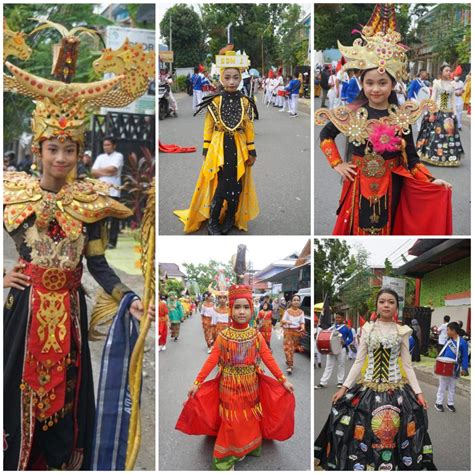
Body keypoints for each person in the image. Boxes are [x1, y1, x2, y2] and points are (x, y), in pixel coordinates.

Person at [3, 36, 154, 468]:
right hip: (24, 309)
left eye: (70, 150)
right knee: (18, 390)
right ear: (39, 149)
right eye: (54, 149)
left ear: (80, 151)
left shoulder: (89, 204)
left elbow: (99, 265)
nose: (62, 158)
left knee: (68, 395)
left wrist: (129, 296)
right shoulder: (15, 195)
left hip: (69, 310)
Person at [315, 22, 453, 236]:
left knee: (387, 228)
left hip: (393, 184)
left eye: (382, 83)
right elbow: (326, 135)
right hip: (358, 182)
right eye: (369, 83)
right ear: (362, 83)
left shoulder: (401, 116)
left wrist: (433, 181)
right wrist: (337, 164)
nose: (375, 89)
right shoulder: (351, 112)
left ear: (392, 84)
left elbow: (412, 159)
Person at [176, 284, 295, 471]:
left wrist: (282, 380)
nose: (241, 311)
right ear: (230, 309)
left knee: (249, 417)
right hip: (228, 385)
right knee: (231, 419)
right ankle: (227, 456)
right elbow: (211, 361)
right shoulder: (223, 336)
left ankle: (248, 446)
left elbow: (268, 359)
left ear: (251, 309)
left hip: (251, 385)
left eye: (246, 307)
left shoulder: (256, 335)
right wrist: (197, 382)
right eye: (237, 307)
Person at [315, 288, 435, 470]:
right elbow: (359, 361)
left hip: (396, 389)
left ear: (396, 307)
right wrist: (344, 388)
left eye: (391, 302)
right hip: (368, 388)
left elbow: (408, 365)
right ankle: (366, 464)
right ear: (377, 305)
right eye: (382, 301)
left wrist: (418, 393)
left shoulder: (403, 331)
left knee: (396, 432)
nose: (386, 305)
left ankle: (391, 465)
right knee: (362, 431)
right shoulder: (367, 329)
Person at [174, 48, 259, 235]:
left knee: (236, 185)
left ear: (240, 78)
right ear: (221, 77)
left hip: (238, 145)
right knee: (221, 186)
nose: (231, 81)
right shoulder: (215, 101)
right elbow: (208, 126)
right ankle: (213, 221)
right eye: (227, 77)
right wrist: (206, 149)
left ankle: (230, 218)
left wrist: (251, 150)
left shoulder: (246, 102)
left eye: (235, 77)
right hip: (219, 148)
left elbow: (249, 127)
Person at [416, 65, 464, 167]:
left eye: (449, 71)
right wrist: (432, 113)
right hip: (438, 112)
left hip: (449, 113)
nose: (448, 72)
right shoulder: (436, 83)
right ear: (441, 72)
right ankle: (433, 155)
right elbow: (433, 98)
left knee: (449, 136)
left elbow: (453, 100)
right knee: (436, 135)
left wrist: (455, 114)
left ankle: (448, 157)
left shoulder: (452, 85)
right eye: (446, 70)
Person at [91, 137, 124, 249]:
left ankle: (112, 242)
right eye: (104, 145)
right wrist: (105, 172)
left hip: (114, 191)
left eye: (108, 145)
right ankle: (100, 240)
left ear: (114, 145)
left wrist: (100, 172)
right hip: (101, 191)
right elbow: (93, 172)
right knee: (100, 218)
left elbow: (113, 170)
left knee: (114, 219)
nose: (106, 147)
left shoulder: (118, 156)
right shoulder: (100, 157)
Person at [435, 321, 468, 413]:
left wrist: (464, 368)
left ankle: (450, 403)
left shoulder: (462, 342)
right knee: (442, 386)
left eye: (448, 330)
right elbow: (444, 353)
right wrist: (439, 361)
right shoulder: (448, 341)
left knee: (452, 387)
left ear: (453, 331)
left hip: (455, 368)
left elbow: (465, 356)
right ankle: (438, 402)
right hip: (445, 366)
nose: (447, 332)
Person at [315, 312, 353, 388]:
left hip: (341, 349)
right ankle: (323, 382)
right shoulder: (332, 327)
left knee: (341, 365)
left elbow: (351, 338)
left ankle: (340, 382)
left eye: (339, 317)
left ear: (343, 318)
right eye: (336, 317)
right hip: (331, 349)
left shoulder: (347, 328)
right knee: (328, 366)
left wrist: (345, 342)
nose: (337, 319)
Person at [281, 294, 305, 374]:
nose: (296, 302)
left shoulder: (301, 312)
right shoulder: (287, 311)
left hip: (296, 333)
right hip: (288, 331)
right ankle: (290, 366)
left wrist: (302, 327)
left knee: (292, 349)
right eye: (294, 300)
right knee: (288, 348)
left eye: (298, 300)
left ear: (299, 302)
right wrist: (287, 321)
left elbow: (302, 322)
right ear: (291, 302)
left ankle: (289, 361)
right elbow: (283, 321)